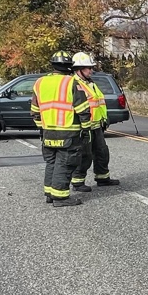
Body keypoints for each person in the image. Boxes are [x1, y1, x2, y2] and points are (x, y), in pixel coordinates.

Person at [34, 52, 91, 207]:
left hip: (48, 132)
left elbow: (35, 110)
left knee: (51, 162)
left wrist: (41, 128)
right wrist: (86, 130)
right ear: (69, 66)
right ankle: (60, 197)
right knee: (65, 163)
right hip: (68, 132)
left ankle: (49, 193)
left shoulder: (40, 83)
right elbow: (83, 109)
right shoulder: (72, 82)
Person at [70, 52, 119, 191]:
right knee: (85, 155)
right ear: (79, 69)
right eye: (88, 68)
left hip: (96, 125)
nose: (91, 70)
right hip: (84, 126)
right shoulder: (74, 84)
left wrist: (104, 118)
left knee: (102, 152)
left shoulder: (90, 83)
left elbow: (98, 102)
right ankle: (78, 182)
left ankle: (102, 178)